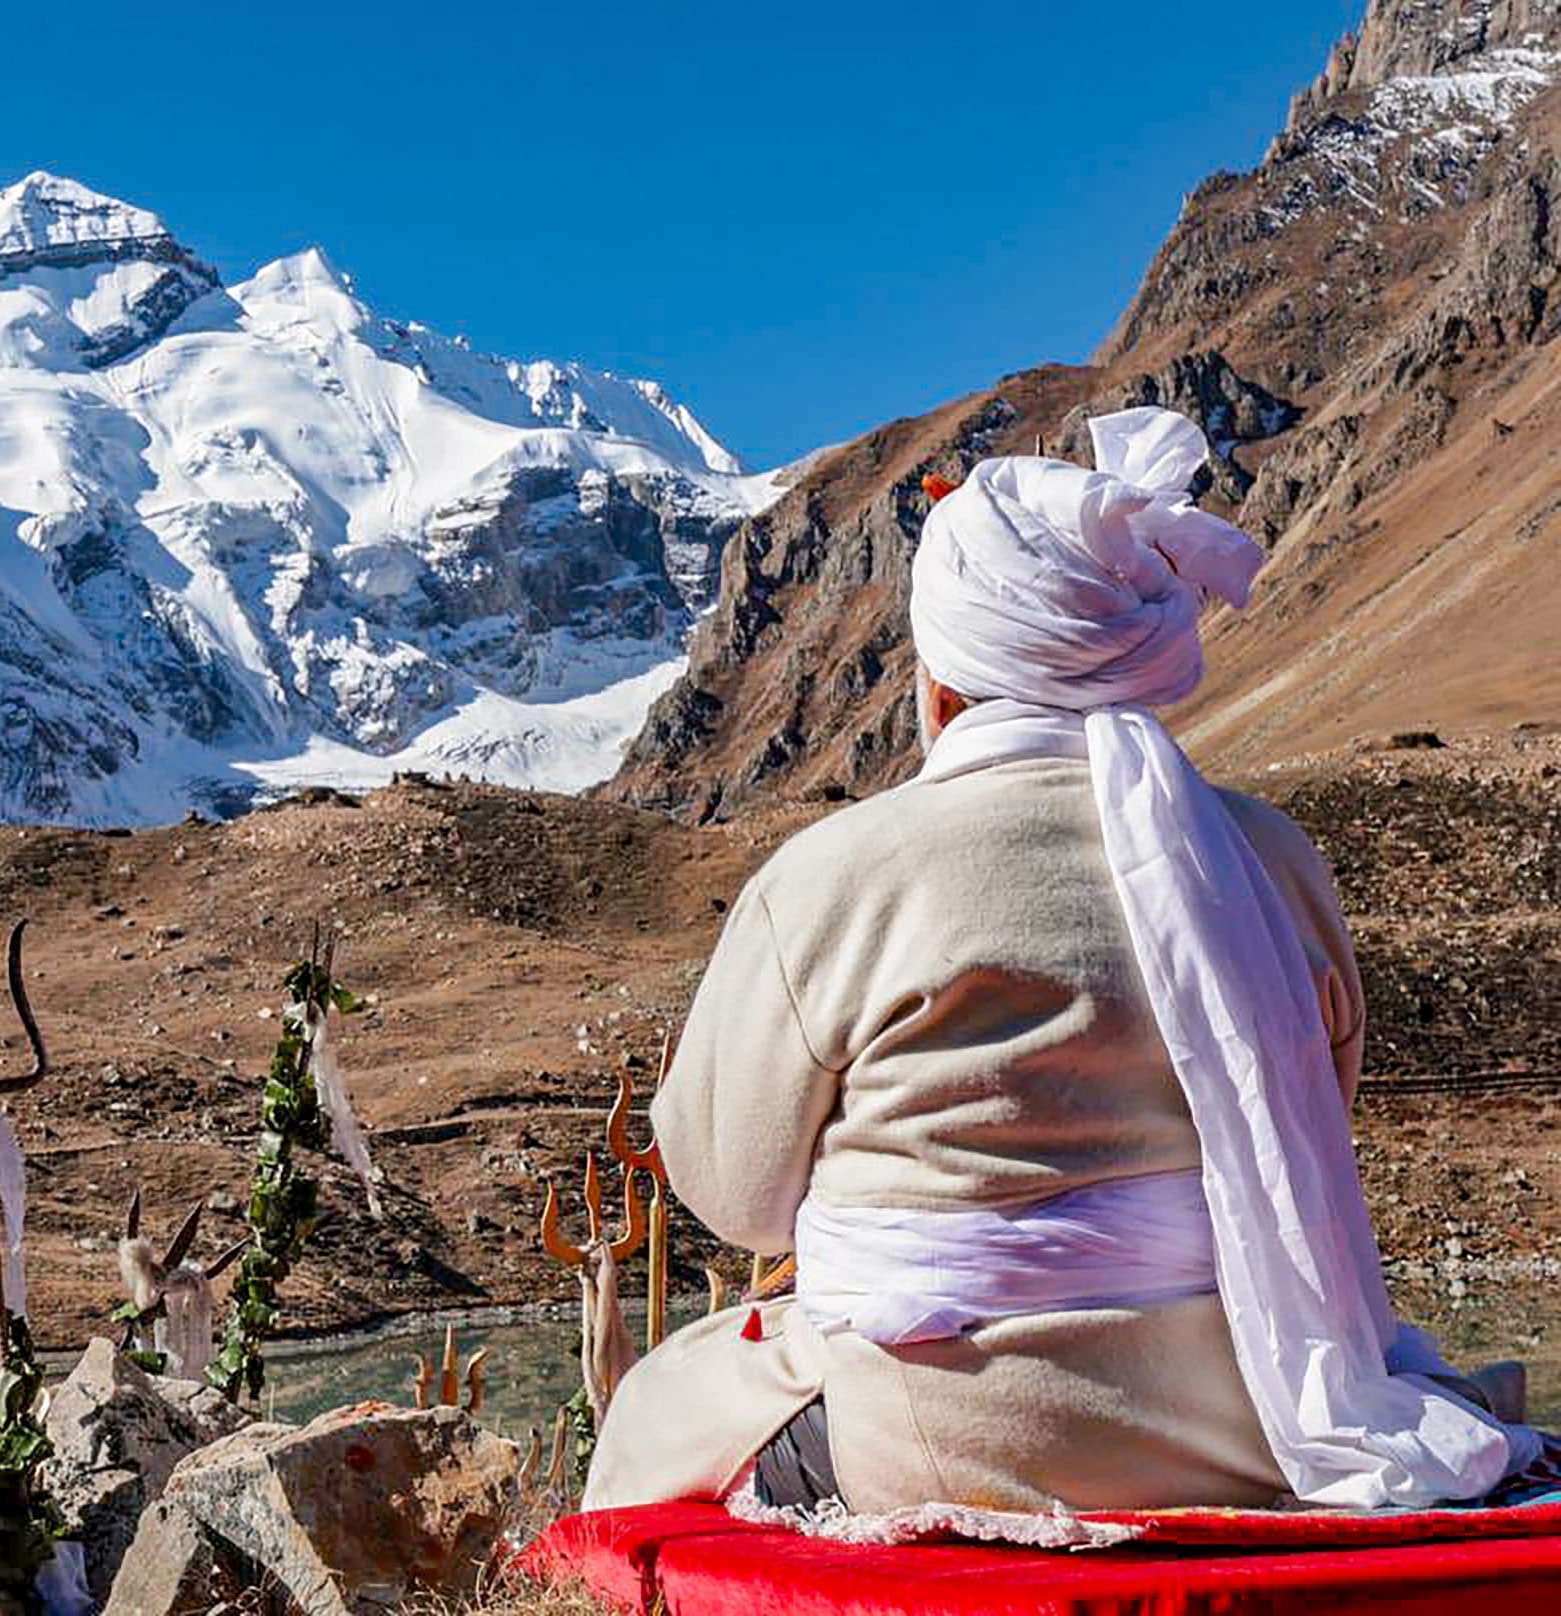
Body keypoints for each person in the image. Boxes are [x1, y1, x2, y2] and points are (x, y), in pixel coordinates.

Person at [584, 407, 1544, 1517]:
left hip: (949, 1432)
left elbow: (736, 1194)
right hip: (1258, 1409)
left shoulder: (832, 874)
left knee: (664, 1404)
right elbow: (1309, 1110)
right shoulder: (1271, 860)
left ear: (936, 685)